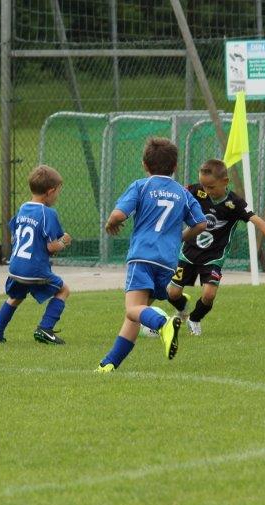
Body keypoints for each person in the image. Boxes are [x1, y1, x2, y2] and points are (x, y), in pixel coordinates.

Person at [96, 137, 208, 372]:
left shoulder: (141, 186)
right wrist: (179, 237)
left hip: (142, 257)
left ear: (144, 165)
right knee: (136, 314)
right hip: (167, 263)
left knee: (132, 309)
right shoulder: (183, 193)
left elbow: (118, 215)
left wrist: (110, 223)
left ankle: (163, 323)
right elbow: (201, 223)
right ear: (175, 166)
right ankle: (108, 364)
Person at [164, 158, 265, 336]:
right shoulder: (195, 190)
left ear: (225, 181)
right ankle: (183, 308)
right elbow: (176, 193)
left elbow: (256, 219)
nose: (206, 191)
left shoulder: (234, 203)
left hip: (214, 257)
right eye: (203, 186)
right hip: (188, 253)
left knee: (209, 295)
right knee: (172, 293)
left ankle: (194, 319)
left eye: (211, 187)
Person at [0, 164, 73, 345]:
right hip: (35, 269)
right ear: (50, 191)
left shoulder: (23, 208)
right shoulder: (48, 213)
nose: (58, 196)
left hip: (16, 267)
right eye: (58, 191)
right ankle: (45, 329)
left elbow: (15, 237)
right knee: (63, 290)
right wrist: (64, 242)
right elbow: (52, 247)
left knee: (15, 297)